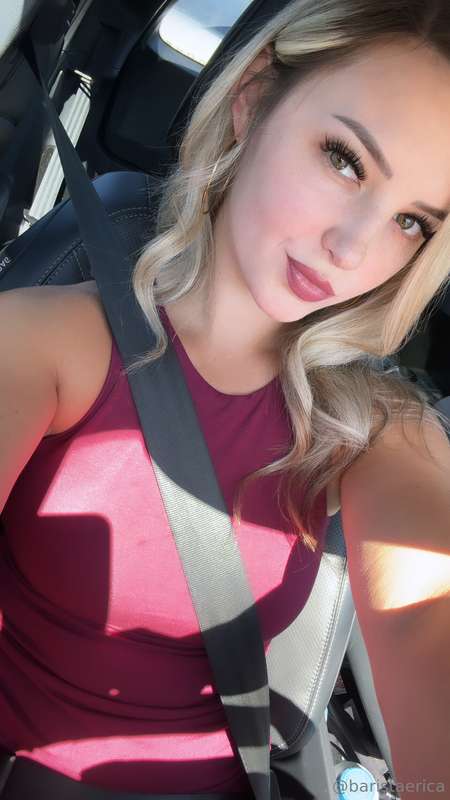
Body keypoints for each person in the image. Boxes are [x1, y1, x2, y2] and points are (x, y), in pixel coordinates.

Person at [1, 0, 450, 797]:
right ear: (252, 98)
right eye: (345, 160)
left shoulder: (384, 433)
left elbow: (429, 625)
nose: (352, 249)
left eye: (412, 222)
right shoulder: (45, 345)